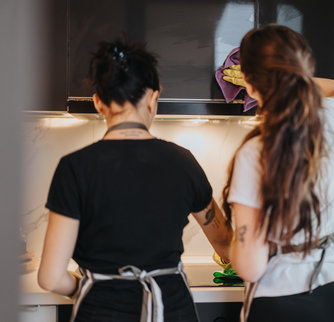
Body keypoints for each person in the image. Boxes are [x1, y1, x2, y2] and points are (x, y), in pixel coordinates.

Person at [38, 39, 233, 322]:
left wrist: (93, 287)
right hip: (170, 309)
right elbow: (226, 244)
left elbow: (51, 277)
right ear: (153, 98)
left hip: (100, 312)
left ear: (98, 103)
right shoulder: (183, 162)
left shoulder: (75, 168)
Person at [222, 25, 334, 322]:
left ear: (250, 85)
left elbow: (250, 267)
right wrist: (294, 77)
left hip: (282, 302)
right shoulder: (329, 121)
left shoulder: (255, 152)